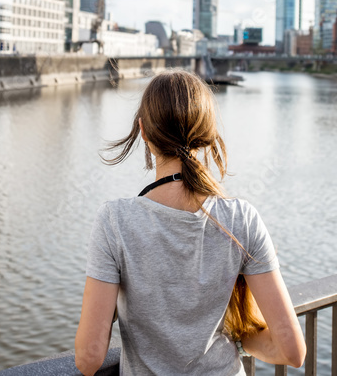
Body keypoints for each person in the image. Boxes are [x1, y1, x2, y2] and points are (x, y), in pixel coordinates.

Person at [75, 69, 305, 375]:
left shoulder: (116, 222)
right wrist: (238, 342)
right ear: (208, 135)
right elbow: (291, 351)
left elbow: (89, 358)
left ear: (143, 131)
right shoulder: (241, 218)